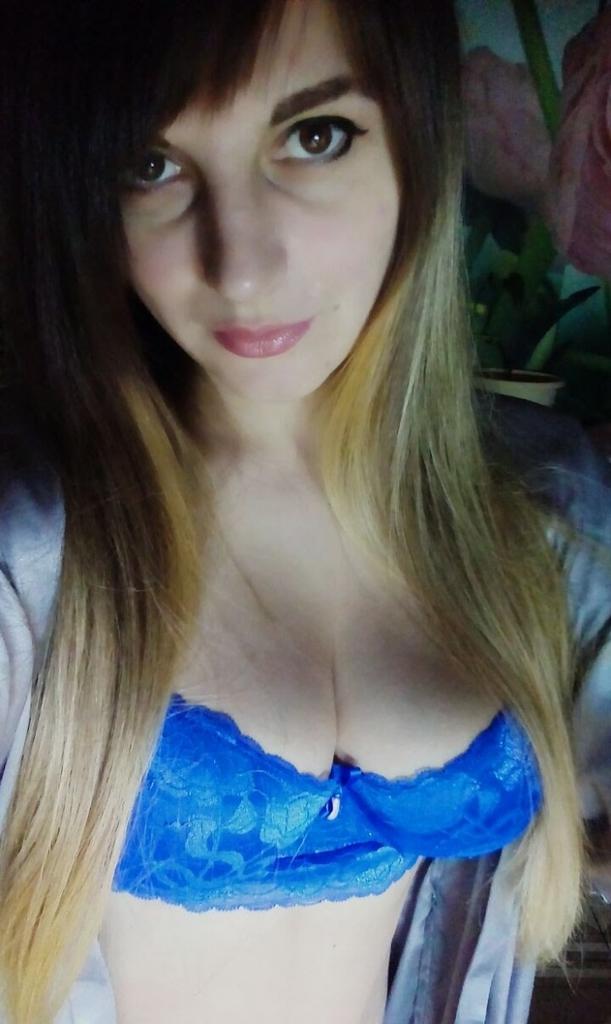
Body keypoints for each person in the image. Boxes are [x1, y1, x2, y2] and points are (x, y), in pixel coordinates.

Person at [0, 1, 609, 1022]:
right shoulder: (32, 551)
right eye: (150, 165)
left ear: (414, 143)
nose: (239, 267)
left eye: (314, 136)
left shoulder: (536, 509)